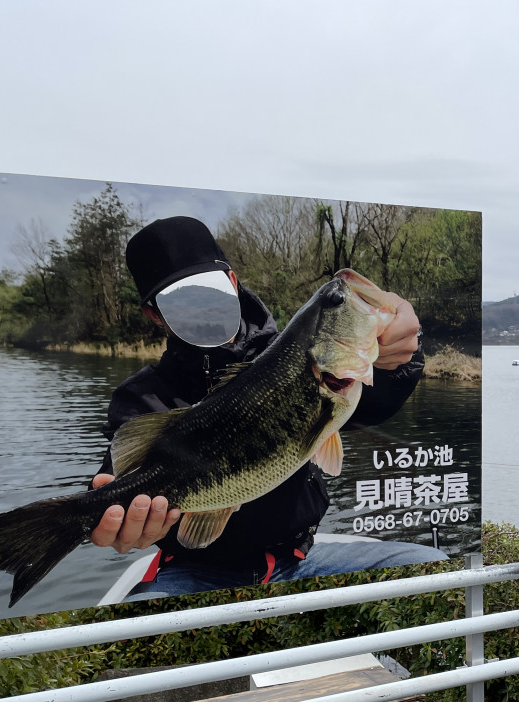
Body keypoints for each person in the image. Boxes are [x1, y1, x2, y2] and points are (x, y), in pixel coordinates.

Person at [90, 215, 446, 600]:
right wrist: (109, 518)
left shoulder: (294, 357)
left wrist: (401, 357)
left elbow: (376, 404)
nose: (200, 308)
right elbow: (121, 471)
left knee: (434, 565)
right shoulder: (141, 398)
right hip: (195, 573)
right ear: (154, 314)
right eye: (178, 301)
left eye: (207, 290)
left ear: (232, 282)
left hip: (302, 562)